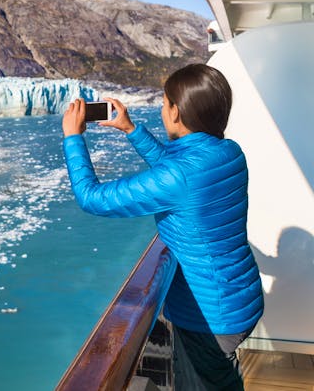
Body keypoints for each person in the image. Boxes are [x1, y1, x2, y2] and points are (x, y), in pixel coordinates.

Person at [62, 63, 263, 390]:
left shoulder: (181, 175)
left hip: (209, 318)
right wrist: (130, 129)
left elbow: (92, 198)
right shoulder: (228, 153)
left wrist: (73, 138)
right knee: (221, 379)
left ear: (177, 113)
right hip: (240, 298)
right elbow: (177, 173)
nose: (162, 108)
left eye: (166, 102)